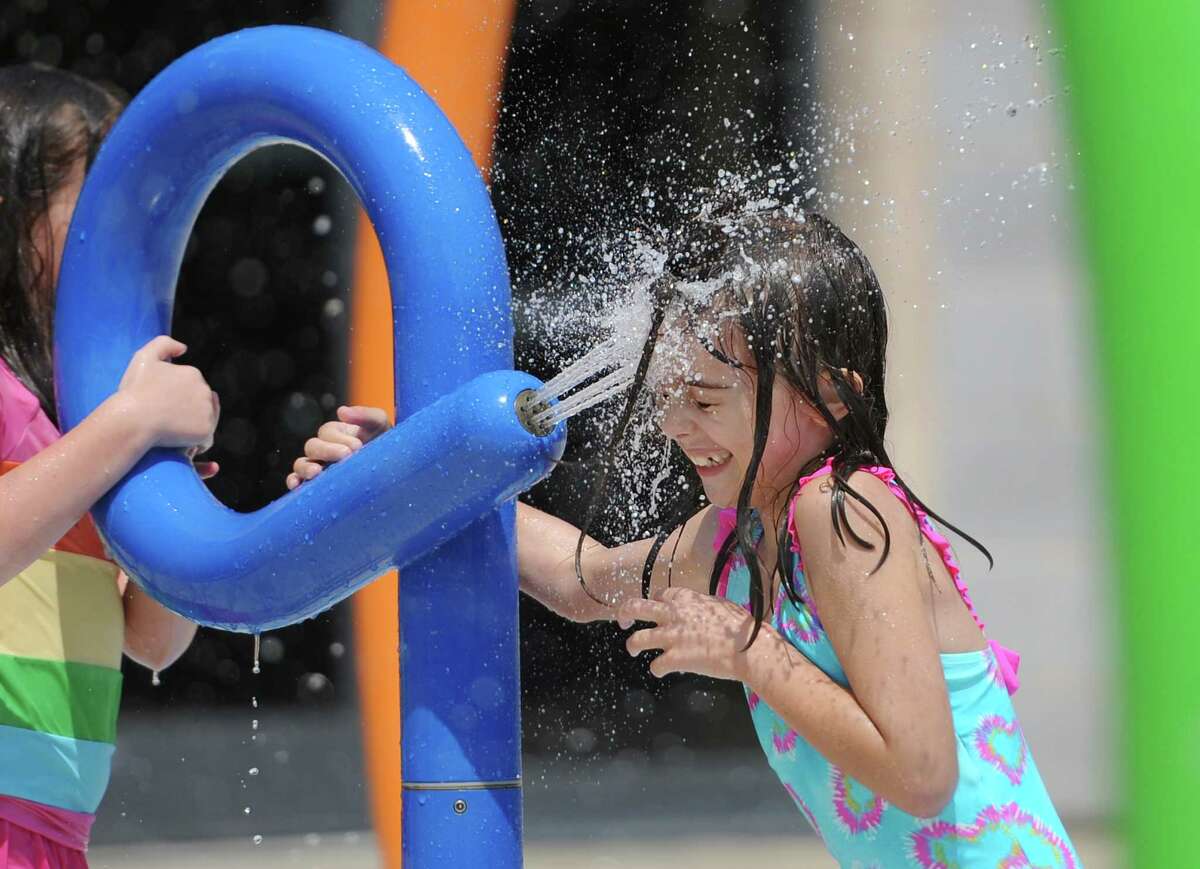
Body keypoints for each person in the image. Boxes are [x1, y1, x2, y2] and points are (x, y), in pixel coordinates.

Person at [291, 202, 1078, 865]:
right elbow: (583, 578)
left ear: (832, 400)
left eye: (704, 400)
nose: (675, 424)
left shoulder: (844, 512)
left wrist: (747, 648)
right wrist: (404, 477)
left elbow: (922, 771)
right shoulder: (738, 538)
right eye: (671, 394)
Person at [0, 65, 219, 866]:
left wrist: (173, 495)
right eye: (99, 205)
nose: (132, 232)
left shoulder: (75, 414)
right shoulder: (76, 423)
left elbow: (150, 641)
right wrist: (126, 427)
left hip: (53, 835)